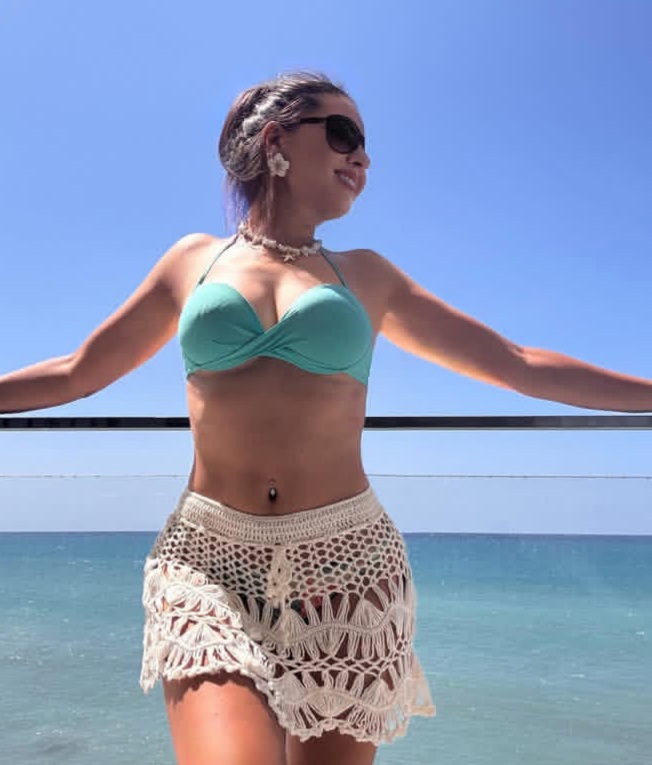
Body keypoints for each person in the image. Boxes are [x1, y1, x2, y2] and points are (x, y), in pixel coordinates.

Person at [1, 70, 651, 765]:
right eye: (344, 134)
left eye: (365, 144)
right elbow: (76, 370)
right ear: (276, 139)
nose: (362, 157)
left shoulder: (367, 276)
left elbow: (518, 362)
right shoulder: (192, 261)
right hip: (208, 559)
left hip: (347, 568)